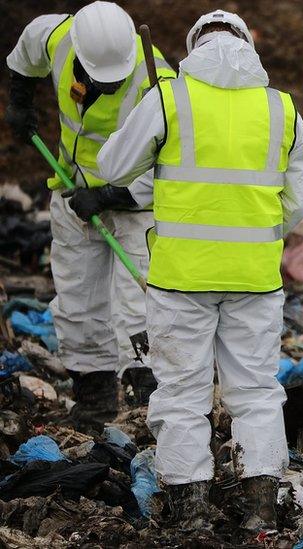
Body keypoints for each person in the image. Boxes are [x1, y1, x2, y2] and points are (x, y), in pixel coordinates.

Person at [96, 10, 303, 532]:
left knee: (181, 392)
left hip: (182, 278)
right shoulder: (281, 108)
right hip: (255, 277)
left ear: (193, 48)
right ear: (247, 46)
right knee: (258, 390)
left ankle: (189, 508)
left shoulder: (171, 98)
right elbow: (296, 205)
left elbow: (111, 167)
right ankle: (262, 504)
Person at [5, 1, 175, 430]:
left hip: (135, 204)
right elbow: (26, 49)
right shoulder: (60, 37)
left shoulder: (157, 82)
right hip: (72, 192)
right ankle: (95, 401)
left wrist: (110, 196)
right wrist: (20, 101)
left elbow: (171, 168)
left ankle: (148, 402)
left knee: (138, 305)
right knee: (79, 300)